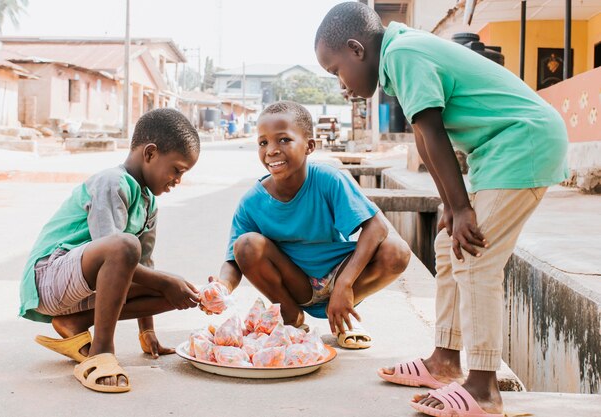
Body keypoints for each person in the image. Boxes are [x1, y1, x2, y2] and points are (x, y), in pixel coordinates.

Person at [315, 3, 568, 416]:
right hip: (498, 151)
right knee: (450, 245)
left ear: (356, 49)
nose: (340, 84)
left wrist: (463, 205)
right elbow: (423, 136)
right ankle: (444, 361)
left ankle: (484, 388)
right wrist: (451, 205)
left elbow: (433, 131)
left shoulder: (404, 54)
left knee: (475, 258)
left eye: (335, 70)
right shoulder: (398, 61)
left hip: (524, 143)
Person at [19, 108, 202, 393]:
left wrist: (148, 331)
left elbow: (143, 265)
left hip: (82, 288)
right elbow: (116, 250)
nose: (178, 180)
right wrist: (166, 281)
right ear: (150, 153)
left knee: (179, 292)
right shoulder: (112, 182)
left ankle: (74, 322)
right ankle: (101, 353)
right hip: (49, 278)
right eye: (177, 169)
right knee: (129, 249)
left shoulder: (148, 202)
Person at [206, 100, 411, 349]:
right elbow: (233, 259)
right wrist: (222, 287)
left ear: (309, 146)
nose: (271, 150)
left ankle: (344, 315)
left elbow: (377, 227)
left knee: (396, 251)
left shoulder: (327, 179)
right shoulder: (252, 202)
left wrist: (344, 284)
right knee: (246, 244)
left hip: (341, 274)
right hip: (297, 284)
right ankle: (291, 316)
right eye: (263, 142)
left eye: (283, 140)